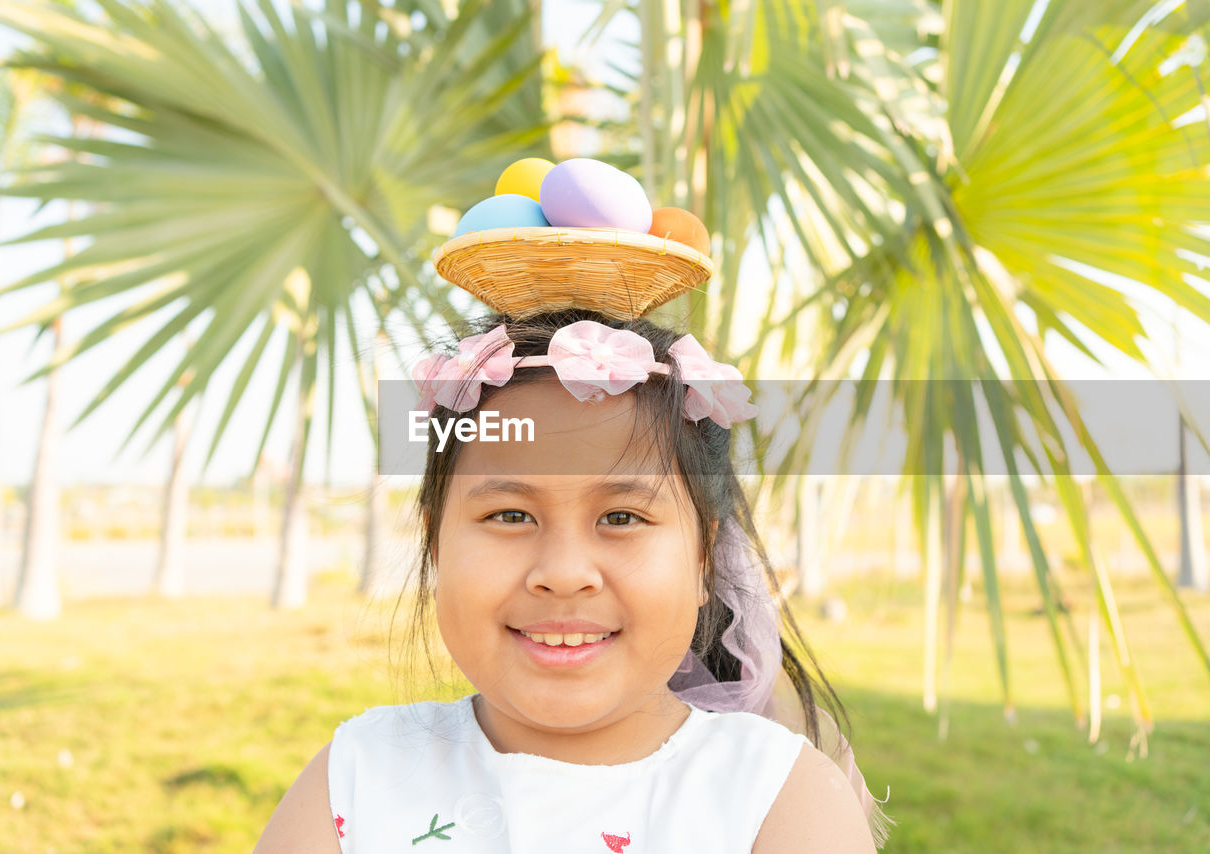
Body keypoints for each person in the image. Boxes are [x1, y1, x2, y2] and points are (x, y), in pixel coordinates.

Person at [255, 226, 892, 852]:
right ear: (436, 543)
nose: (562, 572)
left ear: (704, 558)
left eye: (621, 518)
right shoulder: (355, 780)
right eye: (509, 516)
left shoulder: (780, 799)